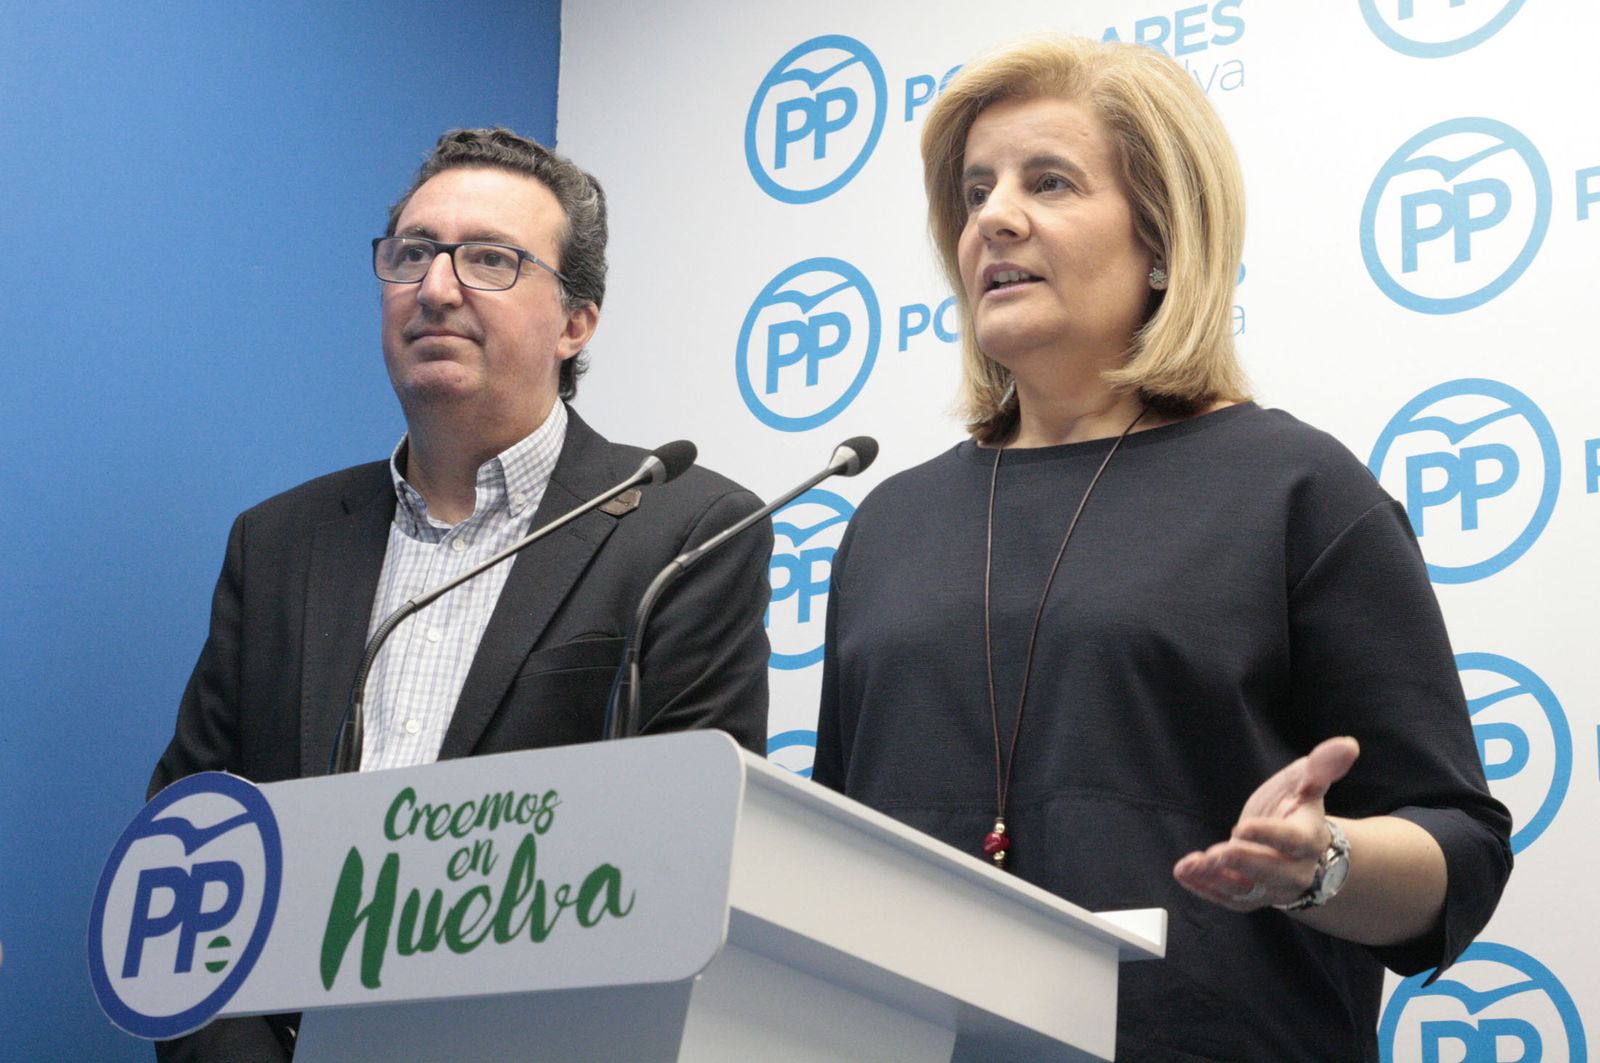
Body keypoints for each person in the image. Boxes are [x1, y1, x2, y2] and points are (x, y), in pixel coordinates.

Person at [813, 37, 1510, 1061]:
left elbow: (1458, 851)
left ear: (1161, 238)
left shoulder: (1297, 491)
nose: (992, 218)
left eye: (1047, 181)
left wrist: (1319, 861)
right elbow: (828, 851)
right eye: (973, 193)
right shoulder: (887, 521)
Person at [150, 127, 771, 1060]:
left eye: (490, 259)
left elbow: (681, 874)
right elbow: (188, 844)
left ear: (576, 321)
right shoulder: (277, 543)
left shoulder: (683, 531)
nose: (436, 288)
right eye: (411, 254)